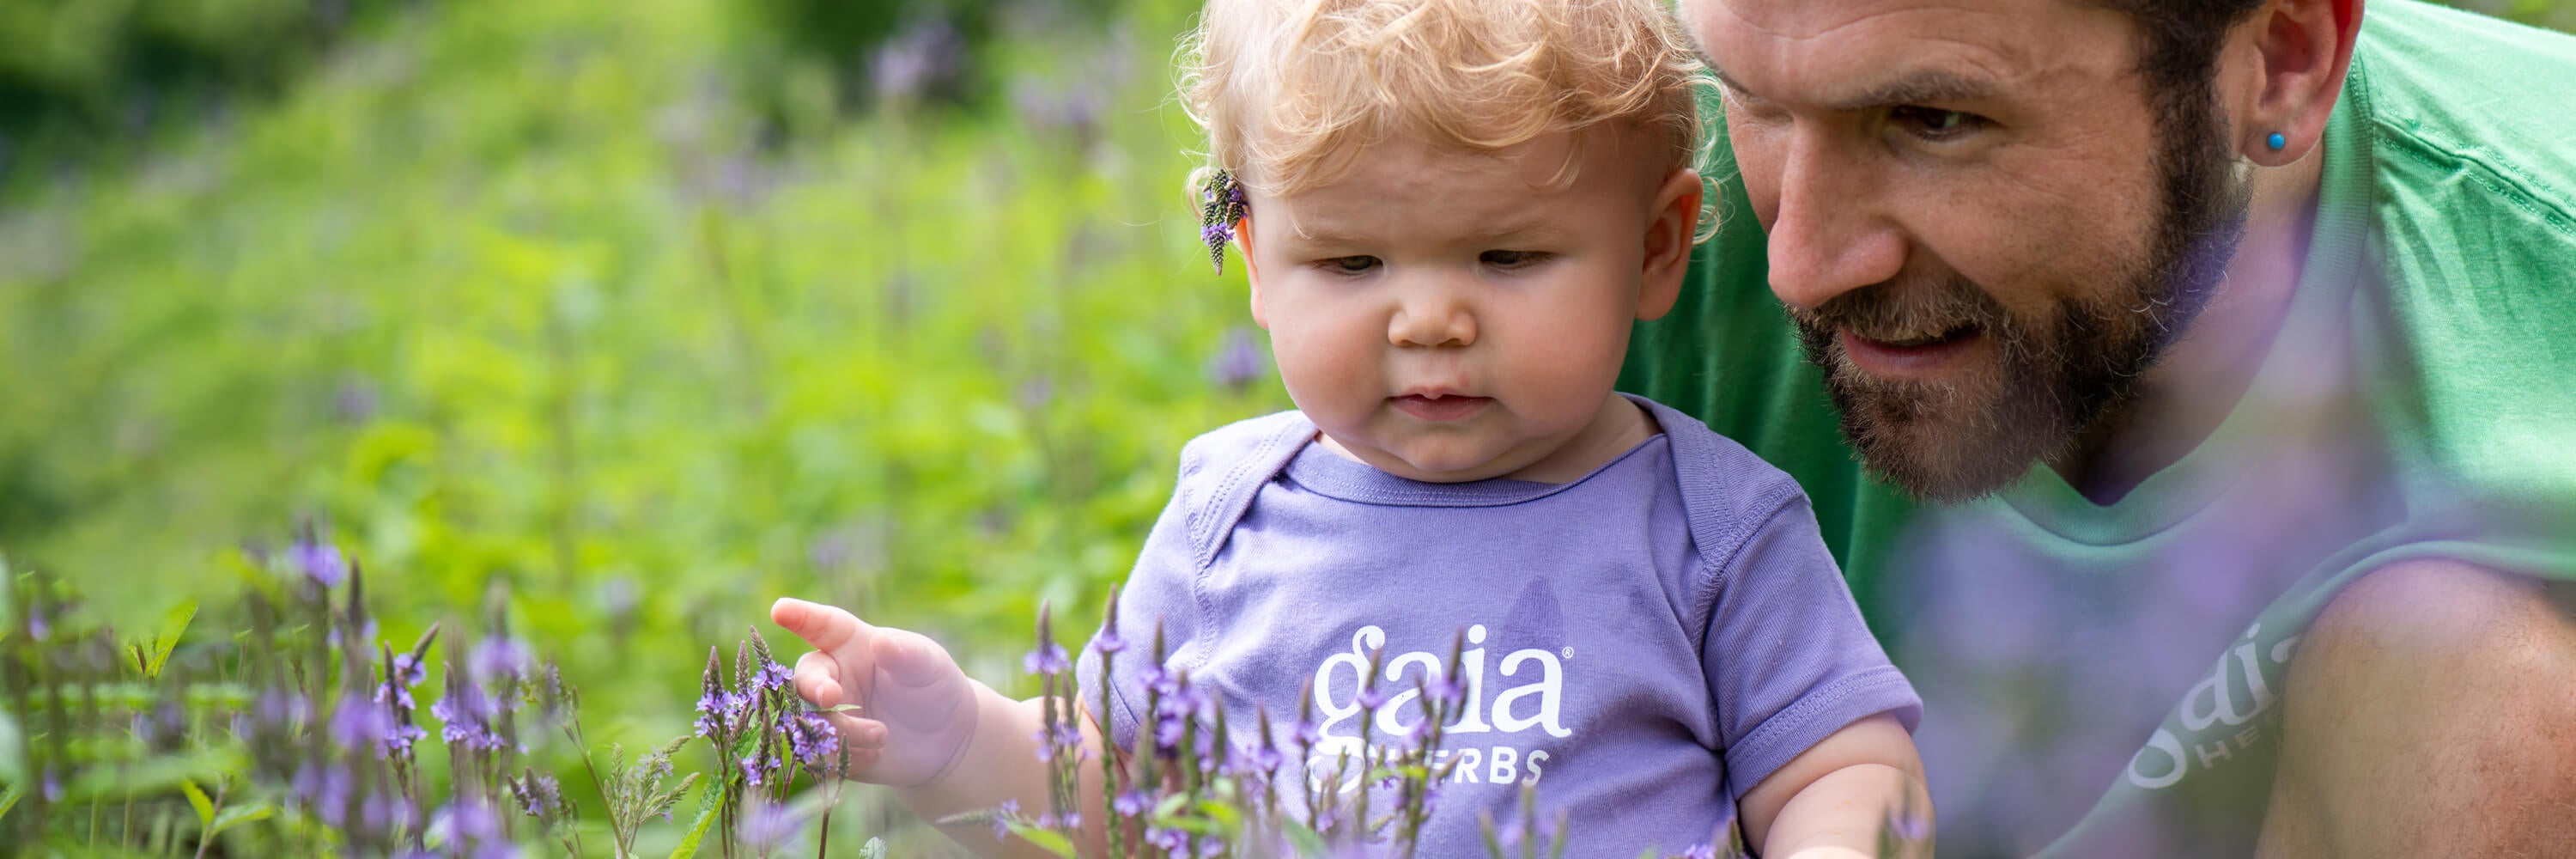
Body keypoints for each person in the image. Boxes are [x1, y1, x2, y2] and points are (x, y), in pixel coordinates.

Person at [769, 0, 1933, 855]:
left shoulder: (1712, 526)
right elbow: (1112, 801)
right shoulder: (1227, 519)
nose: (1429, 318)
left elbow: (1841, 769)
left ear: (1656, 248)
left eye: (1509, 255)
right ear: (1254, 265)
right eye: (1351, 260)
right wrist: (956, 739)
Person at [1626, 0, 2576, 855]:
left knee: (2488, 685)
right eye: (1758, 103)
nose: (1801, 266)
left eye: (1935, 120)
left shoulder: (2543, 255)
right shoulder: (1600, 184)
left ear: (2283, 63)